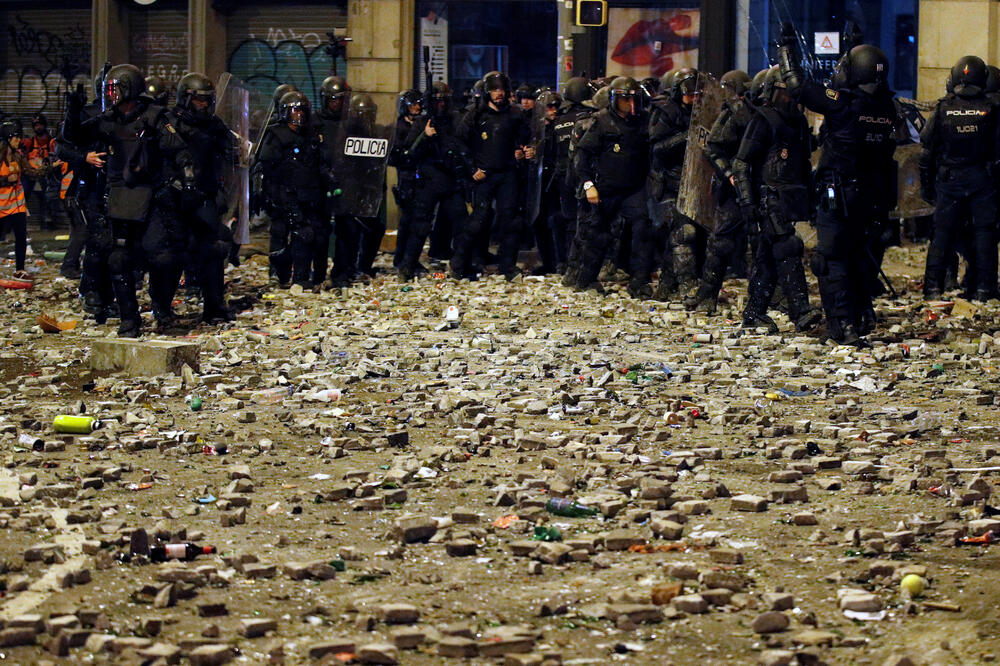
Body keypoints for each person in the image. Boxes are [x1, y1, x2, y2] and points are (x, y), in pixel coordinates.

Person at [779, 30, 902, 345]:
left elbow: (796, 85)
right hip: (872, 197)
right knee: (860, 256)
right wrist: (854, 48)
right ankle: (861, 318)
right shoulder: (888, 107)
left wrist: (787, 47)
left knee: (831, 260)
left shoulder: (842, 104)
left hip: (839, 194)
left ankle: (843, 327)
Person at [66, 64, 184, 337]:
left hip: (151, 196)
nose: (110, 94)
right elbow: (71, 141)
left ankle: (161, 307)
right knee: (118, 259)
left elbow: (177, 148)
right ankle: (129, 319)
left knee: (162, 257)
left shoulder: (155, 116)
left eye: (115, 89)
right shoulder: (108, 120)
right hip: (119, 197)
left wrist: (183, 176)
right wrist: (71, 115)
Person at [732, 68, 822, 333]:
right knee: (788, 247)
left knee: (769, 260)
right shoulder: (763, 119)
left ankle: (754, 313)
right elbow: (741, 163)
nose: (790, 98)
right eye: (784, 92)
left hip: (790, 198)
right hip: (768, 197)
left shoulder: (798, 123)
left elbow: (803, 163)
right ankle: (800, 311)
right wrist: (747, 202)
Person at [920, 55, 1000, 302]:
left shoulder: (944, 107)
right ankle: (985, 289)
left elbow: (926, 142)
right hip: (981, 179)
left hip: (950, 179)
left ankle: (932, 288)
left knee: (941, 235)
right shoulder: (992, 108)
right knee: (984, 235)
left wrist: (928, 185)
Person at [161, 72, 235, 323]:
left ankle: (214, 307)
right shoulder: (170, 122)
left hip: (205, 195)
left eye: (207, 100)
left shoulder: (214, 124)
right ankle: (162, 308)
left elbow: (230, 149)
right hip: (176, 197)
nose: (203, 105)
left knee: (213, 251)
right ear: (186, 98)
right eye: (199, 100)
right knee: (172, 255)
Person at [574, 76, 651, 296]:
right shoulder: (602, 121)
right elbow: (582, 154)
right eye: (625, 100)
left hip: (634, 188)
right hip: (605, 188)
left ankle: (640, 282)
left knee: (642, 230)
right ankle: (585, 280)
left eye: (634, 99)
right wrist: (588, 185)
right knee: (598, 235)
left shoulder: (644, 120)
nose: (631, 104)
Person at [689, 69, 755, 313]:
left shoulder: (757, 112)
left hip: (757, 185)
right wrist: (730, 174)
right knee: (721, 243)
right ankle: (707, 295)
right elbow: (714, 147)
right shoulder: (732, 114)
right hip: (734, 187)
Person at [455, 71, 531, 279]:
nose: (499, 94)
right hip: (484, 175)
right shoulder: (476, 115)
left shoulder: (515, 114)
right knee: (478, 220)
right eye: (495, 90)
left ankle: (507, 267)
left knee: (511, 221)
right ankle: (460, 264)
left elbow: (525, 137)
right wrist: (472, 169)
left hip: (508, 174)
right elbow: (460, 142)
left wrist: (522, 150)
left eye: (502, 90)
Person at [396, 81, 474, 281]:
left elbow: (464, 145)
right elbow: (409, 154)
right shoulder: (423, 123)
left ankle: (460, 265)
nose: (441, 104)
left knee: (462, 224)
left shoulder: (456, 120)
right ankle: (407, 266)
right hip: (428, 180)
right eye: (436, 101)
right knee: (420, 226)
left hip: (451, 180)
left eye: (444, 100)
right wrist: (425, 136)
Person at [256, 90, 326, 290]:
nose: (299, 115)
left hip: (307, 194)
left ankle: (301, 277)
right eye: (295, 110)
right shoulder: (276, 135)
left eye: (303, 110)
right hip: (282, 195)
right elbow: (265, 166)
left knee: (307, 235)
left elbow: (318, 162)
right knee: (280, 234)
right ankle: (278, 274)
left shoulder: (311, 135)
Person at [58, 74, 114, 321]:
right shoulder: (90, 113)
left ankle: (108, 296)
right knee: (96, 241)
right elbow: (63, 147)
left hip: (123, 189)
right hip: (92, 186)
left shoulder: (131, 114)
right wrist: (85, 157)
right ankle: (92, 292)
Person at [648, 68, 699, 300]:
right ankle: (688, 286)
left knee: (681, 237)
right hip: (669, 183)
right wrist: (686, 137)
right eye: (690, 93)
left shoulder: (701, 111)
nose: (694, 97)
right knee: (682, 233)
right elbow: (657, 148)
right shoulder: (666, 112)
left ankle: (666, 287)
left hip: (693, 182)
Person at [552, 77, 593, 271]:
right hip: (589, 176)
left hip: (565, 177)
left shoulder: (558, 122)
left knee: (569, 219)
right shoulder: (594, 118)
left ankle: (569, 263)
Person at [389, 89, 423, 269]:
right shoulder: (398, 128)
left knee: (418, 221)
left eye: (419, 103)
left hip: (421, 177)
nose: (417, 107)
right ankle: (401, 258)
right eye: (412, 104)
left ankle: (410, 259)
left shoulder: (423, 123)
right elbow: (397, 155)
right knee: (407, 220)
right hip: (406, 177)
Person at [0, 120, 32, 279]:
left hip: (17, 205)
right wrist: (6, 180)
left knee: (21, 236)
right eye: (15, 137)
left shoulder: (18, 156)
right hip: (2, 206)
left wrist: (51, 166)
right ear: (7, 138)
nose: (19, 140)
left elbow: (31, 171)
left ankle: (20, 269)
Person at [20, 113, 56, 229]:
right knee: (22, 192)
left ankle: (47, 219)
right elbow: (22, 158)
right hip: (30, 174)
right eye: (36, 126)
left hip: (45, 175)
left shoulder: (51, 142)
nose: (38, 128)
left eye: (40, 125)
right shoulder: (29, 142)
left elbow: (54, 159)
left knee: (47, 195)